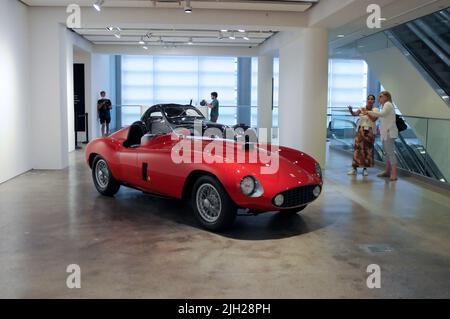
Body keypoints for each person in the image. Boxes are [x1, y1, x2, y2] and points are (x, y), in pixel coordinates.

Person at [362, 91, 399, 182]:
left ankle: (394, 174)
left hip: (389, 133)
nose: (379, 98)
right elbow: (384, 119)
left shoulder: (387, 104)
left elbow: (381, 114)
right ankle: (387, 171)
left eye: (381, 96)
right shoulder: (385, 105)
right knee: (387, 153)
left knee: (390, 153)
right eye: (379, 96)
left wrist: (368, 112)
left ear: (386, 97)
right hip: (385, 132)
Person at [347, 95, 379, 176]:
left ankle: (365, 169)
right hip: (360, 130)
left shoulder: (376, 110)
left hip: (370, 131)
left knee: (368, 149)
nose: (370, 100)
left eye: (372, 99)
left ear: (374, 101)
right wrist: (351, 110)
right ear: (367, 100)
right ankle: (354, 168)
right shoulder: (362, 108)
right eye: (369, 99)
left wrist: (366, 113)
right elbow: (354, 114)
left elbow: (374, 119)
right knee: (357, 148)